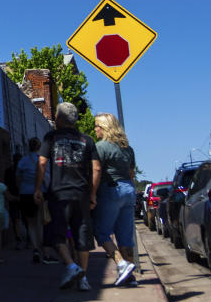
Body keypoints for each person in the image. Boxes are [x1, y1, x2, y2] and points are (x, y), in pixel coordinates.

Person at [34, 102, 101, 291]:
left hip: (59, 193)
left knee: (57, 234)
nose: (54, 118)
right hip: (82, 194)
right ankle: (83, 279)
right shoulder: (87, 140)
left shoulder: (51, 137)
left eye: (56, 115)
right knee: (82, 238)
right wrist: (93, 193)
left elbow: (42, 163)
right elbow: (96, 168)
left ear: (61, 119)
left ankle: (71, 266)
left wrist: (38, 188)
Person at [92, 112, 138, 286]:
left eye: (97, 125)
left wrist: (92, 194)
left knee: (101, 232)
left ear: (104, 128)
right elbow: (132, 173)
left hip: (111, 190)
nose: (95, 129)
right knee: (125, 237)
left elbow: (97, 171)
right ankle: (131, 276)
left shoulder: (101, 147)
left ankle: (121, 263)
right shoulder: (128, 148)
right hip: (129, 190)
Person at [17, 138, 53, 263]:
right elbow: (47, 176)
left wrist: (21, 188)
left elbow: (18, 177)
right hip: (41, 192)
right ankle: (45, 251)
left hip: (25, 193)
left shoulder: (23, 160)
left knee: (31, 224)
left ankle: (36, 249)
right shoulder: (43, 159)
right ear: (39, 147)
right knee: (41, 222)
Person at [4, 153, 24, 248]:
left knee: (21, 218)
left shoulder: (13, 171)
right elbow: (6, 185)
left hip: (21, 196)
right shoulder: (10, 171)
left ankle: (21, 238)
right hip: (17, 197)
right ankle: (19, 238)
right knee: (17, 218)